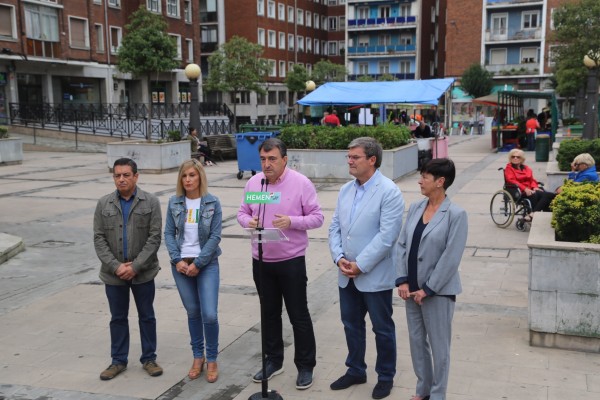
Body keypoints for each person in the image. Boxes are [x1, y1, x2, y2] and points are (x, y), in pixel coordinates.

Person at [237, 138, 324, 390]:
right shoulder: (255, 183)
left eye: (272, 159)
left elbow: (317, 217)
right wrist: (246, 222)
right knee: (269, 313)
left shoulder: (300, 183)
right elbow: (243, 212)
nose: (267, 164)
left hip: (291, 261)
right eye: (263, 159)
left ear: (284, 159)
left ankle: (306, 365)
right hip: (262, 260)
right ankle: (274, 360)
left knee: (299, 314)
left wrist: (293, 221)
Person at [328, 137, 405, 400]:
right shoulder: (345, 190)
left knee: (382, 328)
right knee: (351, 324)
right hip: (345, 272)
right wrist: (338, 257)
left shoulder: (389, 191)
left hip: (373, 274)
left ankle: (385, 376)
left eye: (355, 157)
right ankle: (356, 369)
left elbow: (387, 236)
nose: (349, 161)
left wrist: (361, 265)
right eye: (348, 156)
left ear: (372, 160)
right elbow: (335, 227)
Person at [395, 158, 468, 400]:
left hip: (437, 293)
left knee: (440, 348)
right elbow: (402, 244)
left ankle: (438, 395)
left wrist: (428, 289)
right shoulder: (416, 207)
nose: (420, 181)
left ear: (440, 181)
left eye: (425, 177)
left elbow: (451, 257)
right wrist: (403, 280)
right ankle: (422, 390)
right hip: (410, 290)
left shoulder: (456, 214)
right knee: (417, 344)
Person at [93, 158, 163, 381]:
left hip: (143, 272)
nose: (121, 179)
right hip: (113, 275)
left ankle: (149, 358)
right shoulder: (103, 204)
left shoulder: (150, 202)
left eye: (126, 175)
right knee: (118, 317)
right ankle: (118, 361)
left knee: (147, 316)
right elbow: (99, 239)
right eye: (117, 175)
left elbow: (154, 238)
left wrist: (135, 266)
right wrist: (116, 266)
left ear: (136, 176)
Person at [164, 159, 222, 383]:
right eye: (184, 176)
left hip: (206, 264)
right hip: (180, 265)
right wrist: (177, 260)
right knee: (193, 312)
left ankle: (213, 358)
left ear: (200, 177)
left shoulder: (212, 203)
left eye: (192, 175)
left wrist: (198, 263)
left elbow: (216, 236)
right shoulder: (174, 203)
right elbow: (168, 234)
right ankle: (198, 356)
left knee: (210, 314)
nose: (188, 179)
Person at [504, 149, 555, 221]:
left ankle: (534, 215)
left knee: (549, 195)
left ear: (522, 159)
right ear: (510, 158)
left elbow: (532, 180)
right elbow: (511, 180)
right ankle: (534, 214)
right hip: (519, 191)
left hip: (531, 189)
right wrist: (525, 188)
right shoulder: (509, 168)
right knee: (545, 195)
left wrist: (535, 187)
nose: (515, 158)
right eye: (513, 156)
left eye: (518, 157)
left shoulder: (526, 168)